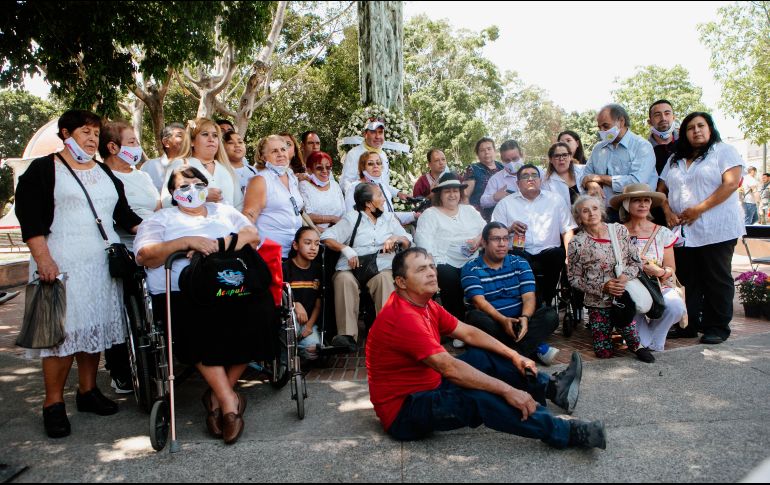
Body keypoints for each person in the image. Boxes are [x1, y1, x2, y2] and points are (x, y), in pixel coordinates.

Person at [367, 247, 607, 449]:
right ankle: (564, 432)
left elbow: (468, 332)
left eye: (431, 266)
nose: (431, 273)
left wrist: (515, 355)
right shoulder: (402, 317)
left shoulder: (425, 304)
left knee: (483, 357)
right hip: (405, 412)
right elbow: (450, 368)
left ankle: (554, 388)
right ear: (400, 281)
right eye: (421, 269)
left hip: (431, 386)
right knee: (478, 396)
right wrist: (506, 390)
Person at [15, 109, 142, 438]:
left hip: (99, 265)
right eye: (85, 132)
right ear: (65, 133)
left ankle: (87, 391)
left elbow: (124, 214)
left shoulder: (104, 172)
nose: (91, 139)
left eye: (96, 134)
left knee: (93, 327)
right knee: (59, 336)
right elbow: (31, 219)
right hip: (59, 263)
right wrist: (43, 259)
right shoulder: (43, 170)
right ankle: (52, 404)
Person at [134, 166, 264, 444]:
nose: (192, 189)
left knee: (258, 313)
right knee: (195, 320)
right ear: (172, 193)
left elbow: (252, 235)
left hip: (228, 287)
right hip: (181, 291)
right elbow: (145, 255)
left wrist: (217, 244)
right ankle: (229, 401)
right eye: (184, 186)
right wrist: (185, 241)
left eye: (198, 183)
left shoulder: (224, 212)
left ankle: (217, 395)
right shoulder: (160, 219)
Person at [658, 112, 745, 344]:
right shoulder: (675, 158)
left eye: (701, 126)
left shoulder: (723, 151)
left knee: (716, 278)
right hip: (684, 231)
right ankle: (688, 325)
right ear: (684, 133)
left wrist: (698, 209)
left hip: (717, 228)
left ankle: (717, 326)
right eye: (691, 128)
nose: (696, 131)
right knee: (688, 280)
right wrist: (666, 210)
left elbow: (731, 184)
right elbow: (660, 189)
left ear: (710, 128)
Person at [99, 120, 161, 394]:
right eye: (132, 142)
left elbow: (157, 207)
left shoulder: (142, 176)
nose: (138, 147)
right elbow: (120, 215)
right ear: (113, 147)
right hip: (127, 248)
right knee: (124, 307)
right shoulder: (104, 177)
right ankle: (120, 369)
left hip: (156, 242)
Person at [320, 183, 412, 350]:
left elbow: (408, 240)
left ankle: (387, 333)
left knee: (385, 278)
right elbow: (326, 236)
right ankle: (347, 335)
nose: (384, 199)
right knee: (342, 279)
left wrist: (395, 238)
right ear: (369, 204)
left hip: (381, 266)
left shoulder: (389, 219)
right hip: (352, 266)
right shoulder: (352, 218)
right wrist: (345, 249)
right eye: (379, 196)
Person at [567, 195, 654, 363]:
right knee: (603, 353)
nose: (591, 213)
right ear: (579, 218)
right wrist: (602, 287)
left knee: (633, 339)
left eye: (594, 208)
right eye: (585, 211)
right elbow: (573, 278)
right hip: (597, 302)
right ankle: (611, 336)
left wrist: (623, 278)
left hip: (623, 296)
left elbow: (636, 263)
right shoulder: (577, 243)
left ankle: (635, 344)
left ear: (601, 211)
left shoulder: (619, 231)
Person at [461, 222, 561, 365]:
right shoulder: (471, 268)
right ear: (484, 242)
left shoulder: (520, 262)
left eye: (506, 239)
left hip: (519, 319)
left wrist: (525, 318)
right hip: (493, 321)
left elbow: (528, 297)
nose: (502, 244)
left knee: (550, 316)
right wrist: (503, 320)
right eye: (496, 239)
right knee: (475, 318)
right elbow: (479, 302)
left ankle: (507, 355)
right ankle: (534, 348)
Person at [613, 184, 687, 351]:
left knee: (676, 306)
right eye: (637, 201)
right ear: (626, 204)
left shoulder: (662, 232)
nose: (643, 205)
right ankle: (649, 341)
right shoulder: (616, 232)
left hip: (658, 286)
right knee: (645, 342)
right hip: (631, 288)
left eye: (646, 201)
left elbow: (670, 268)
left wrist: (658, 271)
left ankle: (655, 337)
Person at [492, 164, 576, 307]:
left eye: (534, 175)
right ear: (518, 183)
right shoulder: (505, 204)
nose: (530, 179)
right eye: (525, 176)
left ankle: (546, 301)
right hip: (519, 252)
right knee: (519, 258)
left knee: (558, 254)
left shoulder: (555, 200)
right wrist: (510, 229)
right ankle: (536, 303)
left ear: (540, 180)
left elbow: (567, 230)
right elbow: (493, 234)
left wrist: (569, 256)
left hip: (548, 251)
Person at [414, 173, 486, 322]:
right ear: (440, 194)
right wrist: (432, 266)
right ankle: (456, 324)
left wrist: (478, 240)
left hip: (474, 257)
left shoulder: (469, 211)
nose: (452, 195)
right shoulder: (430, 214)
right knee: (447, 276)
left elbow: (487, 230)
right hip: (444, 260)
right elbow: (424, 242)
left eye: (455, 191)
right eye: (447, 191)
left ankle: (483, 320)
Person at [581, 104, 657, 221]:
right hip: (602, 214)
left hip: (633, 215)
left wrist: (599, 178)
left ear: (621, 121)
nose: (602, 131)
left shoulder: (642, 146)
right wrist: (592, 184)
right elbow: (585, 176)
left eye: (606, 126)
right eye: (599, 127)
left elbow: (636, 182)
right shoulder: (598, 149)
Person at [242, 135, 305, 259]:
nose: (280, 154)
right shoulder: (260, 180)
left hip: (295, 254)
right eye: (274, 151)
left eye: (283, 149)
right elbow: (249, 217)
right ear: (263, 157)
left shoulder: (292, 178)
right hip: (270, 254)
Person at [162, 118, 243, 210]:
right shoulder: (180, 164)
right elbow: (166, 202)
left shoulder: (227, 168)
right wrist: (202, 196)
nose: (211, 139)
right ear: (192, 141)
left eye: (215, 135)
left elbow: (239, 205)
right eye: (205, 134)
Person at [339, 118, 408, 203]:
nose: (377, 136)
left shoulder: (383, 154)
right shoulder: (354, 154)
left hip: (382, 206)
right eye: (373, 132)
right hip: (364, 208)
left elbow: (382, 184)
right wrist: (361, 199)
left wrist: (398, 193)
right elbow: (345, 183)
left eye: (380, 132)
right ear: (365, 134)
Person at [283, 227, 323, 364]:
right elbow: (279, 299)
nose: (313, 248)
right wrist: (295, 304)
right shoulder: (285, 268)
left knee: (314, 353)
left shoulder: (318, 269)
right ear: (295, 245)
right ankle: (292, 350)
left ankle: (299, 349)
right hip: (287, 323)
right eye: (308, 243)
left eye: (317, 244)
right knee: (286, 355)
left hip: (308, 324)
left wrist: (309, 326)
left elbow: (318, 303)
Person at [344, 151, 416, 225]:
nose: (375, 166)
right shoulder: (354, 188)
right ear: (363, 167)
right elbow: (352, 218)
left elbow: (389, 215)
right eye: (370, 163)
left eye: (378, 163)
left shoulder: (382, 186)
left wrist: (413, 215)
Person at [299, 151, 345, 232]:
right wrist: (332, 219)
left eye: (327, 167)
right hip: (315, 234)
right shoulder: (304, 186)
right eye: (319, 168)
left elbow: (343, 212)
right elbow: (305, 216)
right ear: (309, 170)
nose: (324, 171)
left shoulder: (335, 185)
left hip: (339, 232)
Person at [479, 140, 527, 212]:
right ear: (502, 160)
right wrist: (494, 197)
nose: (511, 163)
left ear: (521, 155)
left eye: (514, 159)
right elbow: (483, 202)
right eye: (507, 160)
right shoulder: (496, 179)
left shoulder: (537, 173)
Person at [463, 137, 504, 221]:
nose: (486, 152)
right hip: (479, 216)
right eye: (482, 150)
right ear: (478, 154)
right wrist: (466, 215)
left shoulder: (502, 167)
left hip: (501, 213)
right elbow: (465, 195)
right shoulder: (473, 169)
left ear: (494, 151)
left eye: (489, 149)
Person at [141, 122, 185, 192]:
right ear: (166, 142)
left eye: (187, 137)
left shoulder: (192, 165)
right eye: (180, 136)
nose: (186, 140)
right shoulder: (149, 166)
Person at [542, 142, 584, 206]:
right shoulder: (546, 183)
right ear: (550, 159)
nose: (561, 159)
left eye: (565, 155)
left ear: (570, 157)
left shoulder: (583, 170)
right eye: (557, 156)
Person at [223, 131, 258, 196]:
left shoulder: (253, 171)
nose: (237, 145)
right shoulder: (220, 170)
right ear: (222, 148)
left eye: (240, 142)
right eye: (230, 142)